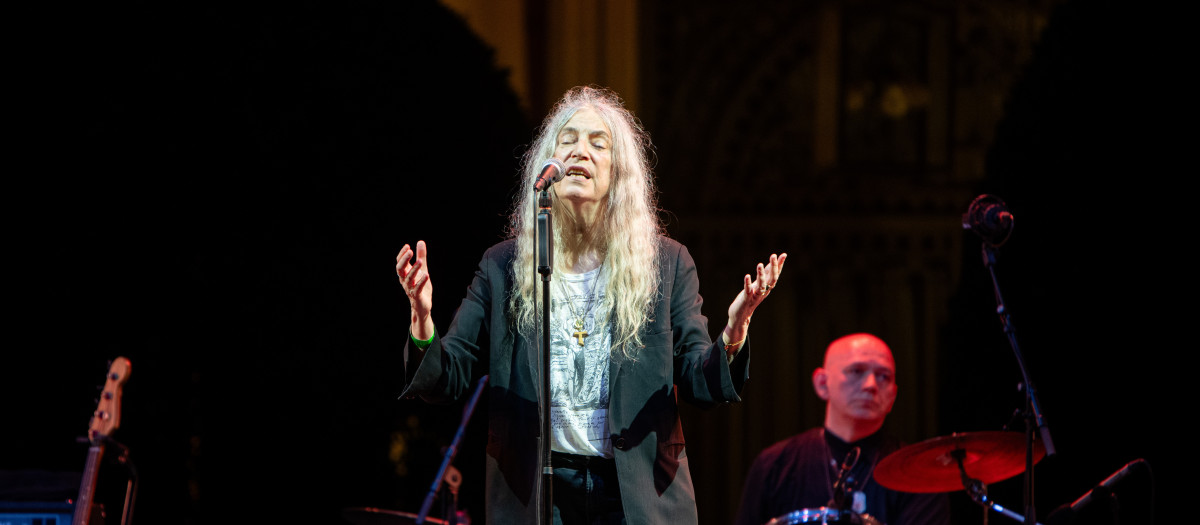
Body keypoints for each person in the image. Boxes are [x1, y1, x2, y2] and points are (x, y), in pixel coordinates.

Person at [395, 85, 787, 525]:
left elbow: (701, 384)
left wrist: (735, 331)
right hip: (537, 493)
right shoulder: (503, 266)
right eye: (567, 140)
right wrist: (422, 319)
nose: (579, 152)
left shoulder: (666, 263)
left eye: (598, 143)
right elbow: (446, 380)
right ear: (546, 165)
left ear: (619, 172)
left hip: (635, 494)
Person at [734, 333, 950, 525]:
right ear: (822, 383)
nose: (871, 385)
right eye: (856, 371)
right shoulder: (775, 464)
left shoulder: (919, 475)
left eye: (884, 376)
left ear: (893, 395)